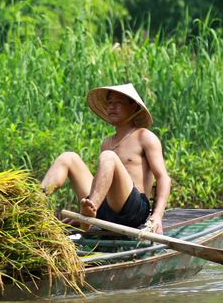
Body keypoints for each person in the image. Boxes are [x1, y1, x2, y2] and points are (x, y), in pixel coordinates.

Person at [41, 83, 171, 234]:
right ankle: (35, 203)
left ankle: (90, 212)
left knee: (108, 156)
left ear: (133, 108)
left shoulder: (145, 137)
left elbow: (163, 178)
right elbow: (102, 182)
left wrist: (157, 215)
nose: (112, 107)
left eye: (118, 102)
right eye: (109, 103)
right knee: (68, 157)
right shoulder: (107, 143)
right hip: (105, 208)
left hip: (133, 212)